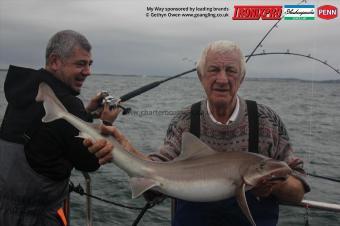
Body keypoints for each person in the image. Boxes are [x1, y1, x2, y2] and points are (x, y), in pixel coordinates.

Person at [84, 40, 310, 226]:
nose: (222, 79)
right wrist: (124, 148)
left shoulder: (266, 121)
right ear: (201, 77)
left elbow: (298, 189)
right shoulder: (185, 121)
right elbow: (155, 179)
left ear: (241, 78)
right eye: (213, 70)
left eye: (231, 71)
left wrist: (273, 183)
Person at [0, 30, 119, 226]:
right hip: (36, 216)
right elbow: (89, 162)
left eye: (90, 64)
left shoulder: (25, 90)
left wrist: (86, 113)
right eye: (80, 64)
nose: (88, 71)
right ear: (55, 61)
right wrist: (106, 124)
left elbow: (48, 129)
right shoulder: (69, 105)